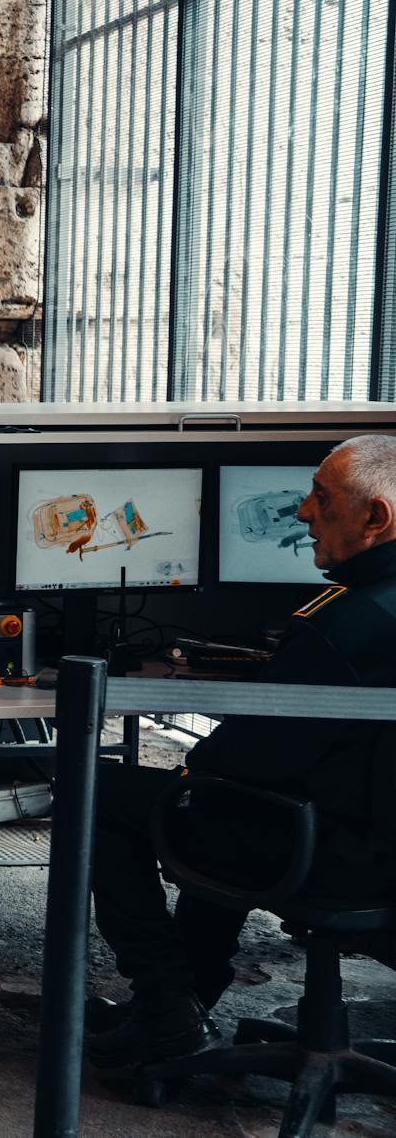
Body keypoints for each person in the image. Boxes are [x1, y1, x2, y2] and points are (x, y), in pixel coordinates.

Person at [85, 434, 396, 1069]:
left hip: (332, 857)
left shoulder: (345, 625)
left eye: (321, 497)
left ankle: (166, 1005)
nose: (303, 512)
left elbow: (247, 758)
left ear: (376, 517)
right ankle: (189, 997)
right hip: (374, 847)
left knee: (105, 794)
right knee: (223, 801)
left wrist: (192, 771)